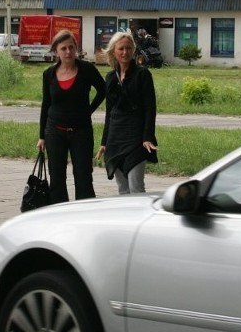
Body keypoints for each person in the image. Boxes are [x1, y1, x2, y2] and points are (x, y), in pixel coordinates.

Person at [37, 29, 106, 204]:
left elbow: (104, 91)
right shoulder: (49, 74)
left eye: (71, 47)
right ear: (56, 51)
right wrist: (41, 136)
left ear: (76, 48)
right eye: (63, 48)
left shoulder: (87, 69)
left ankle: (84, 216)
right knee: (57, 178)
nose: (68, 52)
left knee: (83, 177)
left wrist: (88, 110)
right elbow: (46, 104)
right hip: (54, 132)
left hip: (80, 131)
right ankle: (59, 216)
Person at [96, 30, 158, 194]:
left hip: (136, 139)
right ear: (113, 51)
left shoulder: (142, 74)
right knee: (122, 189)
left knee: (136, 187)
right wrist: (104, 142)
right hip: (115, 139)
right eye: (121, 48)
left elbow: (150, 108)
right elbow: (109, 112)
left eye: (129, 48)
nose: (125, 52)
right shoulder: (110, 78)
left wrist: (147, 136)